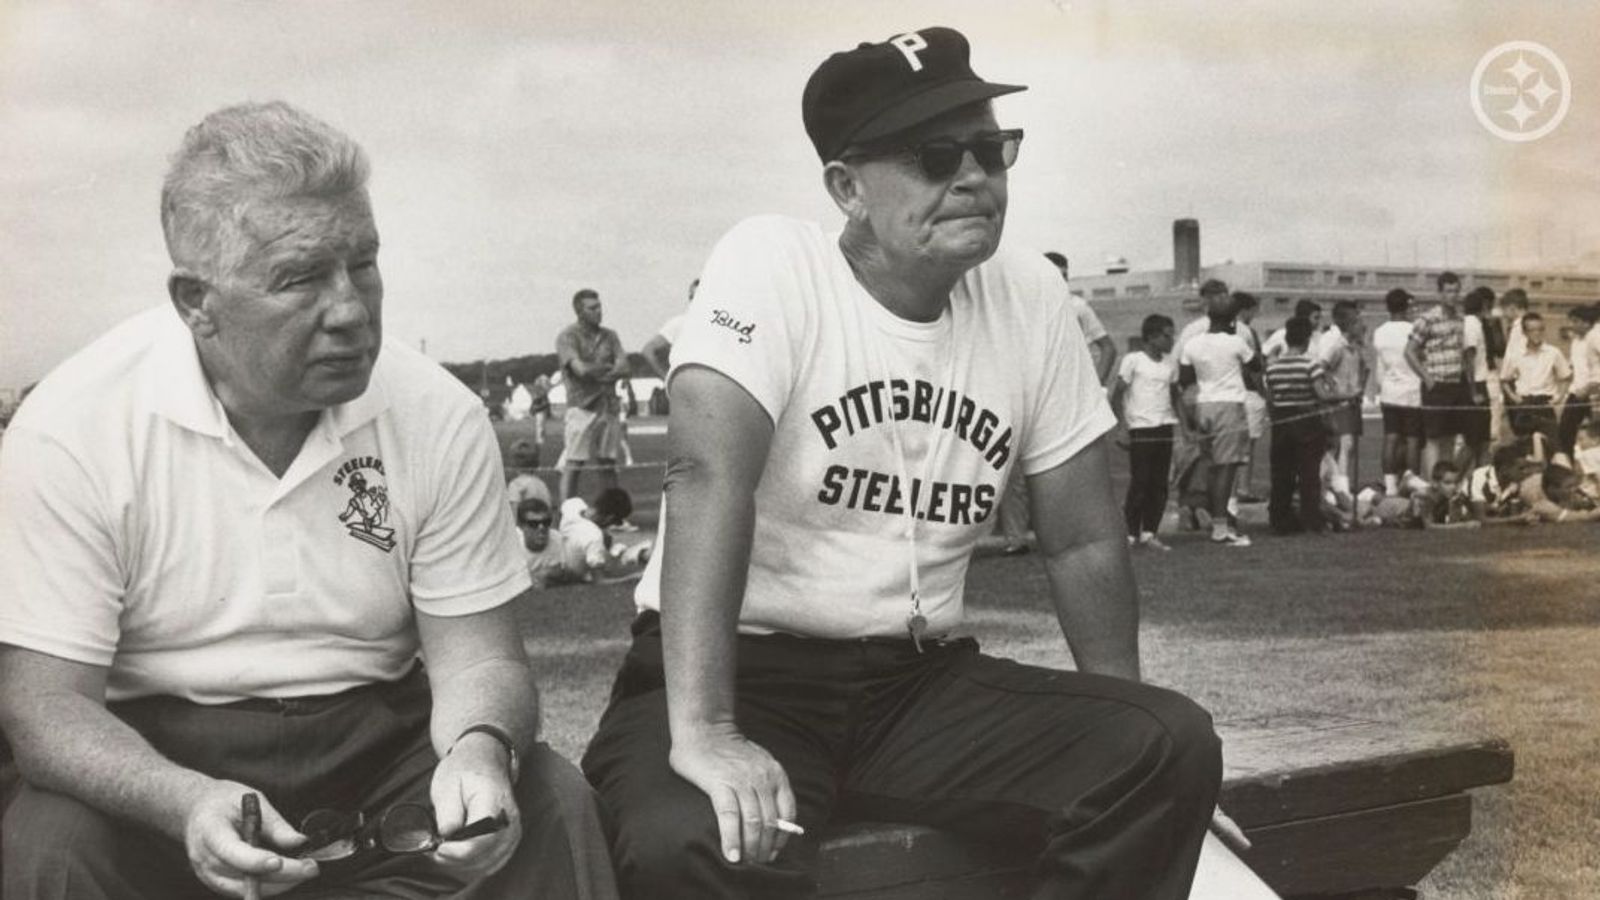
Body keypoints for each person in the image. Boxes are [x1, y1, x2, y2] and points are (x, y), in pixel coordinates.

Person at [580, 27, 1222, 900]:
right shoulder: (775, 263)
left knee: (1169, 742)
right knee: (689, 841)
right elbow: (706, 478)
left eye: (991, 151)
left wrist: (1130, 743)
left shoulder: (1031, 294)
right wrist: (704, 729)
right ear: (847, 186)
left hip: (917, 686)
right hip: (740, 670)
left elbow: (1081, 540)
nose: (973, 177)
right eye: (933, 155)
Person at [0, 102, 616, 900]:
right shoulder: (75, 425)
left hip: (380, 750)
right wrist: (183, 802)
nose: (352, 311)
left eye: (362, 263)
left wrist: (477, 749)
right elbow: (45, 709)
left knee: (550, 806)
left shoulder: (437, 413)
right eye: (299, 278)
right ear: (197, 302)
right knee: (54, 846)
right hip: (153, 756)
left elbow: (482, 657)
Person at [1178, 287, 1260, 547]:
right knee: (1227, 468)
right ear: (1233, 320)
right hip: (1229, 405)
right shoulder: (1236, 342)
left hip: (1203, 405)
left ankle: (1217, 521)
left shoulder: (1192, 344)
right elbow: (1256, 367)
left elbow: (1185, 379)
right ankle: (1221, 527)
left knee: (1212, 465)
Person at [1110, 314, 1181, 550]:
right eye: (1167, 336)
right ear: (1151, 337)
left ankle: (1150, 532)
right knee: (1140, 481)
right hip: (1141, 428)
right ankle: (1130, 532)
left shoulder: (1169, 364)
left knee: (1159, 483)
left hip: (1164, 427)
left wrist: (1187, 427)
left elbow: (1175, 396)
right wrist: (1122, 428)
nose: (1171, 340)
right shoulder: (1134, 360)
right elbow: (1118, 394)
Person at [556, 289, 628, 505]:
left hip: (608, 406)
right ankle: (567, 512)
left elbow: (625, 367)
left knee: (608, 463)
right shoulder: (567, 337)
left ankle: (613, 513)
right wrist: (608, 368)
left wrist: (596, 370)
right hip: (582, 407)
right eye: (592, 308)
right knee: (574, 463)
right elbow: (580, 371)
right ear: (579, 311)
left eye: (599, 307)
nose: (599, 311)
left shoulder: (610, 336)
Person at [1262, 316, 1330, 535]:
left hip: (1282, 422)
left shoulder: (1273, 368)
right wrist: (1346, 395)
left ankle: (1279, 519)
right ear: (1307, 340)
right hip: (1307, 420)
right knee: (1309, 473)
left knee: (1282, 474)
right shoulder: (1310, 365)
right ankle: (1311, 519)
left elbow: (1271, 399)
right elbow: (1321, 394)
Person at [1406, 272, 1473, 490]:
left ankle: (1446, 486)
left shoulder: (1461, 319)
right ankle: (1431, 487)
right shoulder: (1427, 319)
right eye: (1448, 291)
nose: (1453, 296)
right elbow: (1409, 352)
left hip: (1456, 384)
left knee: (1451, 438)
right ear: (1440, 293)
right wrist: (1427, 378)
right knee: (1433, 438)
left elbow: (1464, 354)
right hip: (1436, 386)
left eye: (1456, 291)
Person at [1317, 300, 1368, 514]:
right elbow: (1321, 367)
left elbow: (1364, 369)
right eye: (1357, 321)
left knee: (1350, 445)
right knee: (1342, 445)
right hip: (1340, 402)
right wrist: (1333, 387)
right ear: (1347, 324)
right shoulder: (1337, 346)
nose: (1362, 325)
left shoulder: (1355, 347)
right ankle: (1340, 489)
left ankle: (1340, 486)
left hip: (1352, 402)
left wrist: (1360, 389)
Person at [1372, 288, 1424, 494]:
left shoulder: (1380, 331)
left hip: (1389, 390)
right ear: (1407, 305)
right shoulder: (1413, 329)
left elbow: (1381, 365)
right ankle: (1412, 481)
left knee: (1391, 437)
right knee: (1412, 439)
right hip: (1412, 390)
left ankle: (1391, 485)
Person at [1043, 251, 1117, 384]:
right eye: (1055, 275)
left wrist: (1098, 383)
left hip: (1074, 384)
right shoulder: (1029, 308)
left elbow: (1108, 348)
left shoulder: (1078, 306)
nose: (1061, 281)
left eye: (1064, 276)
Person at [1501, 312, 1570, 450]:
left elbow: (1566, 377)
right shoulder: (1515, 354)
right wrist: (1514, 398)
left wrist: (1559, 397)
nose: (1537, 333)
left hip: (1545, 402)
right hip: (1525, 403)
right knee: (1525, 447)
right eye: (1532, 330)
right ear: (1525, 332)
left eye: (1540, 329)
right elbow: (1504, 379)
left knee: (1552, 445)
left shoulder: (1553, 352)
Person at [1459, 286, 1495, 467]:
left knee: (1483, 441)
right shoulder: (1472, 324)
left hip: (1478, 384)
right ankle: (1452, 479)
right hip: (1474, 386)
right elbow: (1468, 359)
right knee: (1473, 442)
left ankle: (1477, 481)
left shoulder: (1473, 323)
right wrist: (1473, 392)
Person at [1557, 304, 1599, 455]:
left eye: (1575, 321)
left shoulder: (1595, 336)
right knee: (1565, 431)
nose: (1572, 325)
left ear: (1586, 322)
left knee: (1594, 432)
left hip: (1593, 391)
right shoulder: (1577, 340)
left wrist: (1591, 387)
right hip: (1577, 392)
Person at [642, 279, 699, 380]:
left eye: (701, 298)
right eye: (692, 298)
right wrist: (666, 378)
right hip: (684, 386)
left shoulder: (717, 328)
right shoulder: (680, 323)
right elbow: (648, 350)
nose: (696, 303)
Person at [518, 498, 579, 590]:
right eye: (533, 524)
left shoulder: (559, 540)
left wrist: (551, 574)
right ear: (521, 526)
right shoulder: (511, 547)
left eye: (546, 522)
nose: (541, 528)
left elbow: (576, 576)